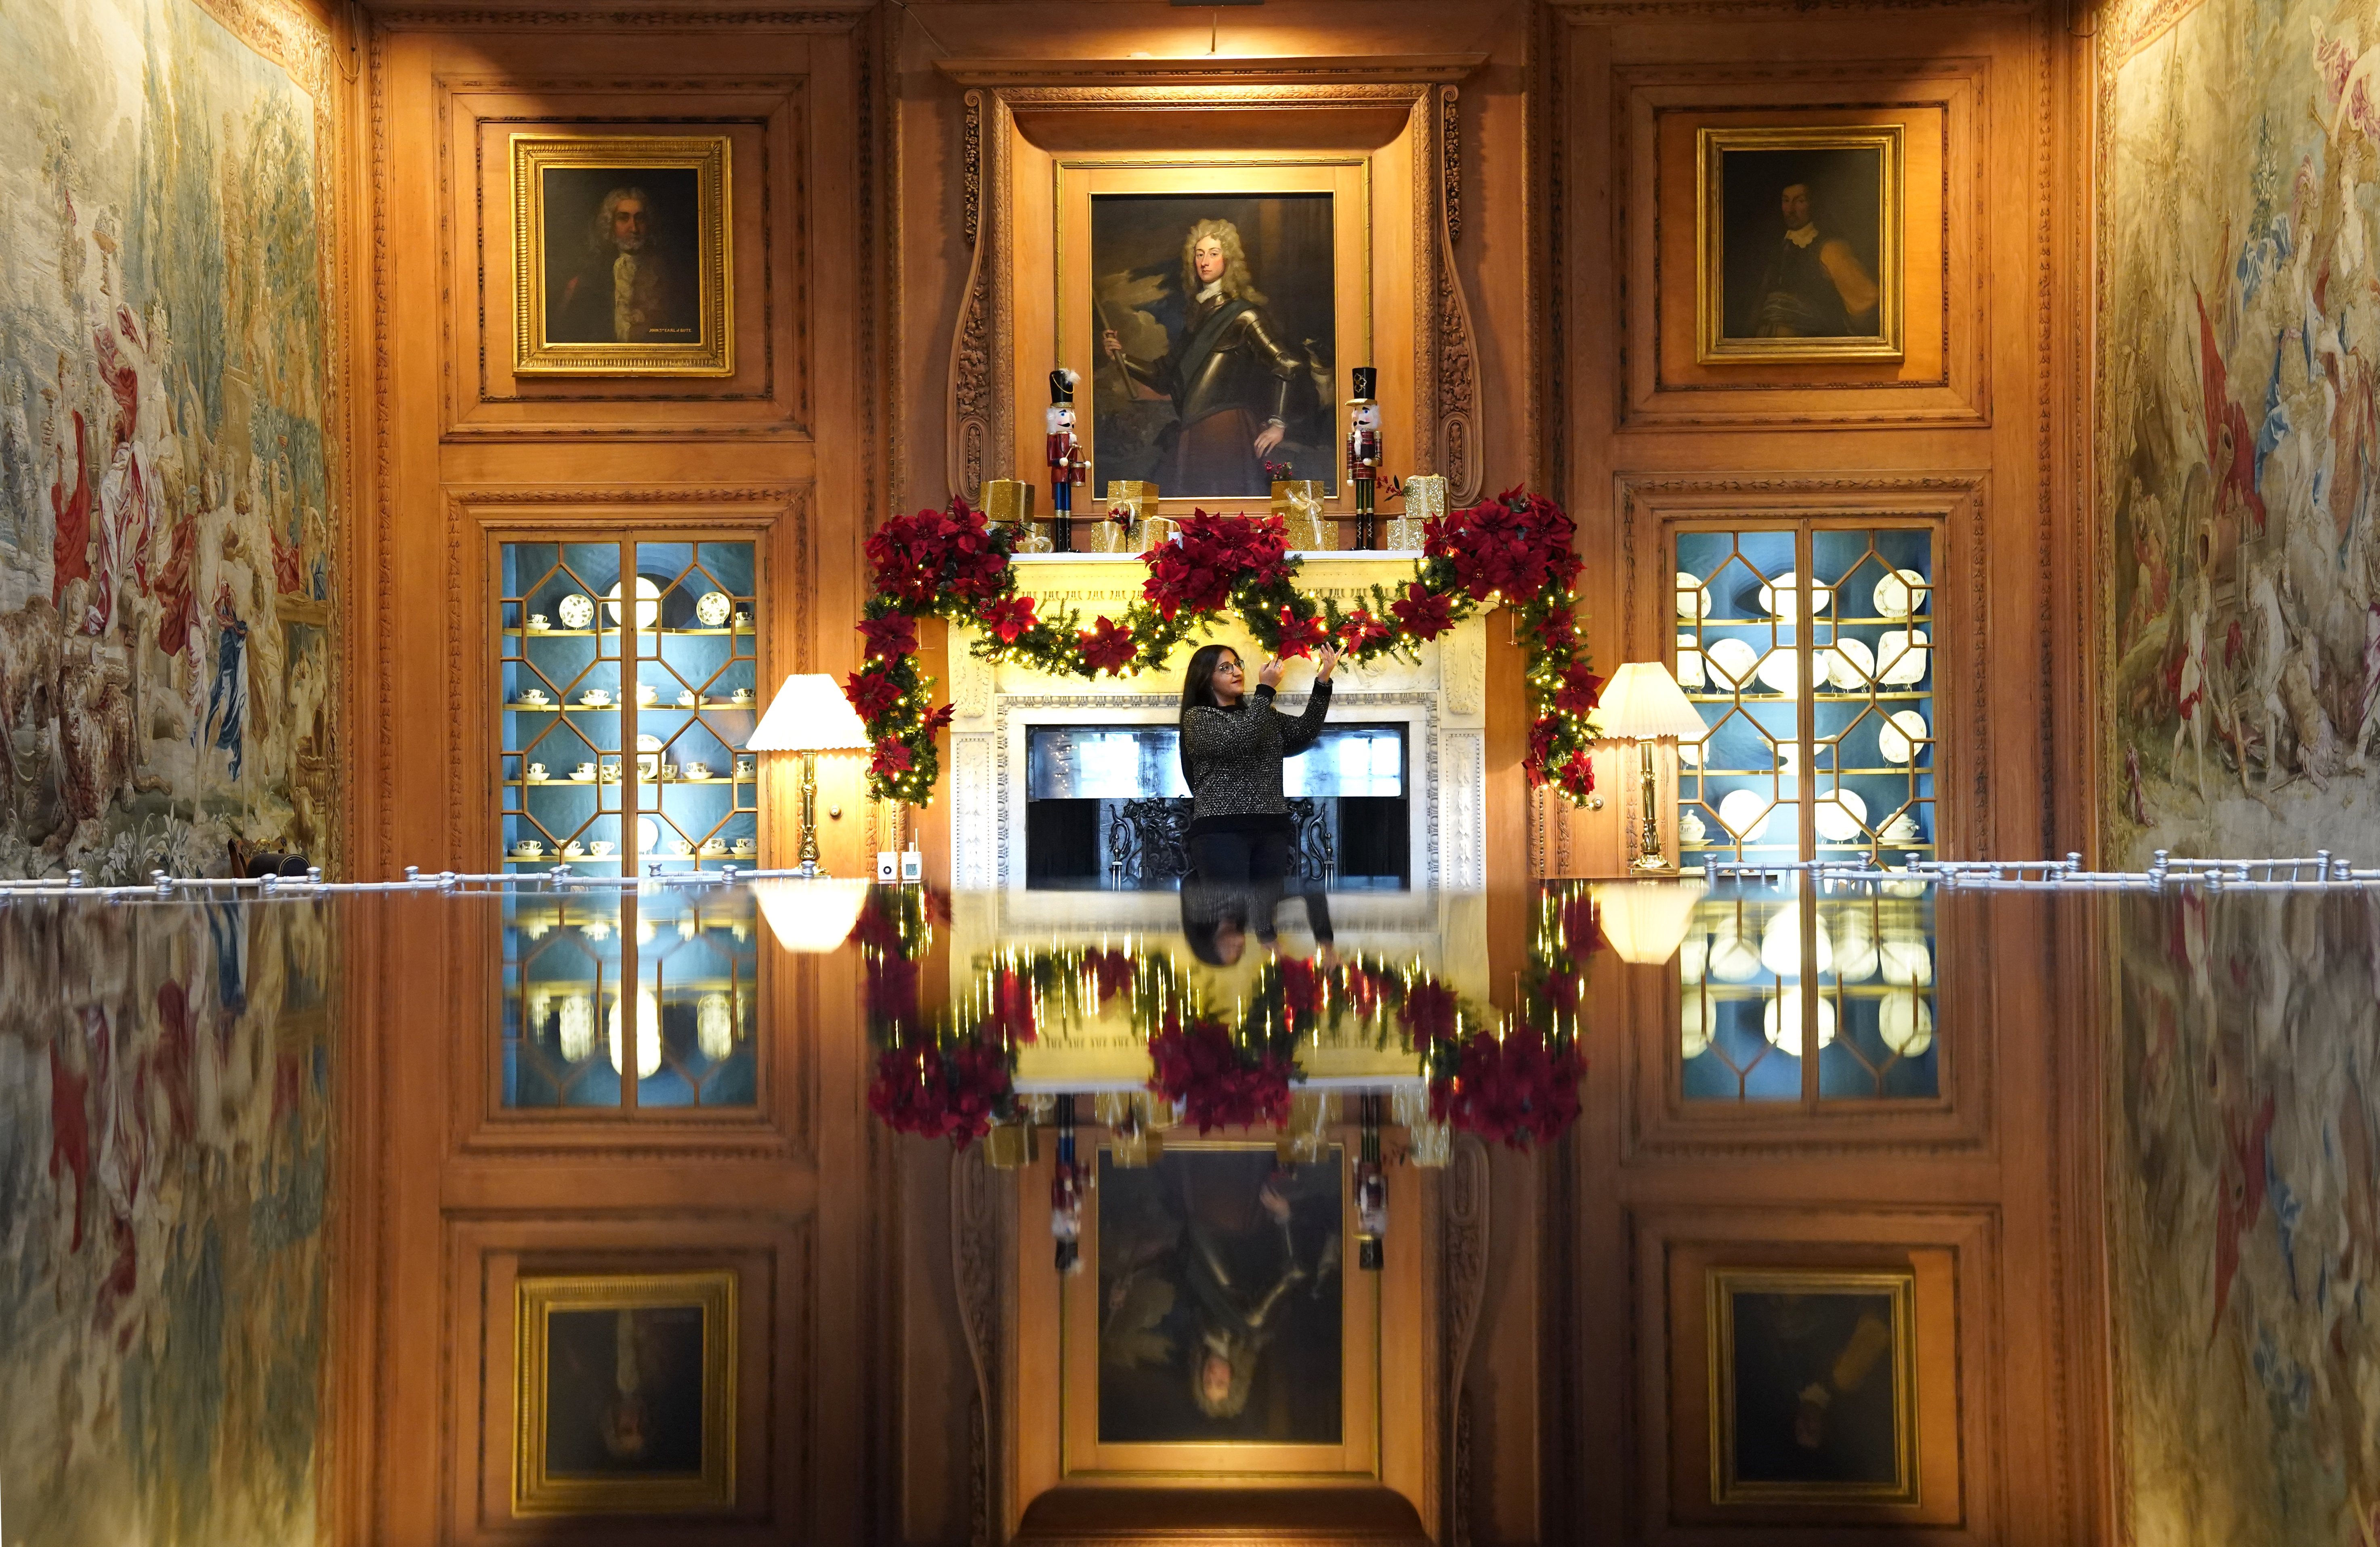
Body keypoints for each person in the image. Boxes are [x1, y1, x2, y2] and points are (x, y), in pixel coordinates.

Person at [1102, 219, 1312, 497]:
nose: (1204, 262)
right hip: (1193, 429)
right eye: (1199, 254)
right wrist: (1120, 357)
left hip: (1227, 429)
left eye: (1213, 253)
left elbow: (1286, 363)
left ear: (1229, 260)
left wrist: (1278, 424)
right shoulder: (1196, 319)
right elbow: (1164, 377)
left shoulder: (1245, 315)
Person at [1176, 641, 1337, 884]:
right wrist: (1265, 690)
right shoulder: (1198, 717)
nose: (1238, 672)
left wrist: (1323, 681)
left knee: (1266, 914)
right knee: (1229, 914)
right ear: (1205, 679)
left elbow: (1305, 732)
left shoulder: (1261, 715)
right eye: (1225, 668)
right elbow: (1240, 741)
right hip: (1221, 830)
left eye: (1237, 665)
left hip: (1271, 827)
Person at [552, 185, 695, 344]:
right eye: (623, 218)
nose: (634, 229)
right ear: (611, 224)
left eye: (640, 219)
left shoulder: (669, 275)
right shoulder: (589, 279)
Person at [1749, 181, 1880, 338]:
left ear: (1813, 204)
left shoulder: (1830, 249)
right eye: (1786, 201)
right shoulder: (1780, 248)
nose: (1790, 210)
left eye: (1800, 201)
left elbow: (1867, 303)